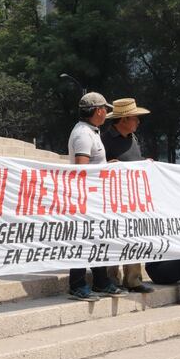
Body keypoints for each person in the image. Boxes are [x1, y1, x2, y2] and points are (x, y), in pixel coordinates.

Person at [67, 92, 128, 302]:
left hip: (95, 196)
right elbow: (82, 168)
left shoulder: (91, 131)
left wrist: (105, 167)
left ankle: (100, 280)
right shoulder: (83, 134)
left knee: (97, 239)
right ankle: (76, 284)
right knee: (83, 240)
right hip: (86, 197)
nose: (107, 113)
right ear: (98, 111)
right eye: (105, 109)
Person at [101, 98, 155, 294]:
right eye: (135, 118)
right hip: (112, 198)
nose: (138, 122)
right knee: (114, 238)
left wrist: (144, 162)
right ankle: (110, 278)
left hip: (133, 197)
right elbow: (97, 167)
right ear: (123, 120)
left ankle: (133, 279)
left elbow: (132, 160)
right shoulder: (104, 140)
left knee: (134, 238)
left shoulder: (133, 139)